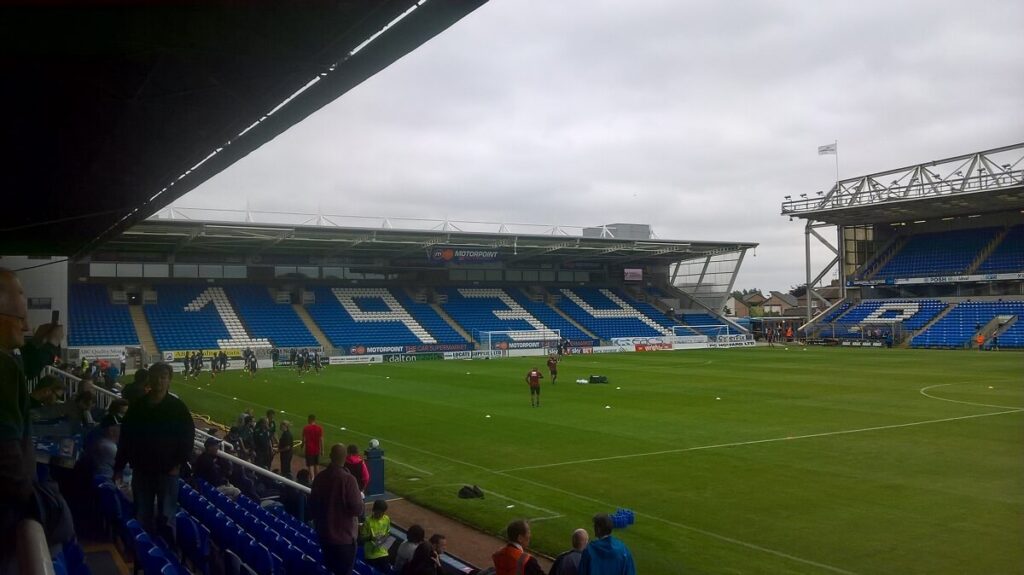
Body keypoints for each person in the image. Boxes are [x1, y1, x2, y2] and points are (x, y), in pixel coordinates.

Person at [113, 362, 195, 534]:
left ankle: (167, 554)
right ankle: (144, 556)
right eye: (155, 377)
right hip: (142, 470)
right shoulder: (137, 407)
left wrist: (178, 464)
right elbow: (126, 437)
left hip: (168, 472)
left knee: (167, 517)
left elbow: (188, 438)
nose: (159, 381)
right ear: (149, 379)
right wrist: (119, 466)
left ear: (169, 381)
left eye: (163, 377)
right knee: (142, 515)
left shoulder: (178, 408)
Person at [0, 268, 38, 565]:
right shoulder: (4, 367)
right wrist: (32, 500)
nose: (26, 328)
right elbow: (7, 453)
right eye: (20, 319)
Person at [309, 444, 364, 575]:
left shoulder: (320, 477)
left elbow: (312, 506)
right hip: (344, 540)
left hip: (324, 536)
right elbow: (357, 509)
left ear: (330, 456)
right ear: (345, 458)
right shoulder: (348, 479)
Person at [359, 499, 392, 573]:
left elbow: (388, 533)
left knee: (387, 571)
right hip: (371, 554)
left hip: (383, 552)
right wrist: (371, 537)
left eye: (383, 512)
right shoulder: (368, 521)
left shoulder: (387, 519)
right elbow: (362, 538)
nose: (381, 515)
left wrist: (384, 538)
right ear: (374, 510)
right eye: (379, 512)